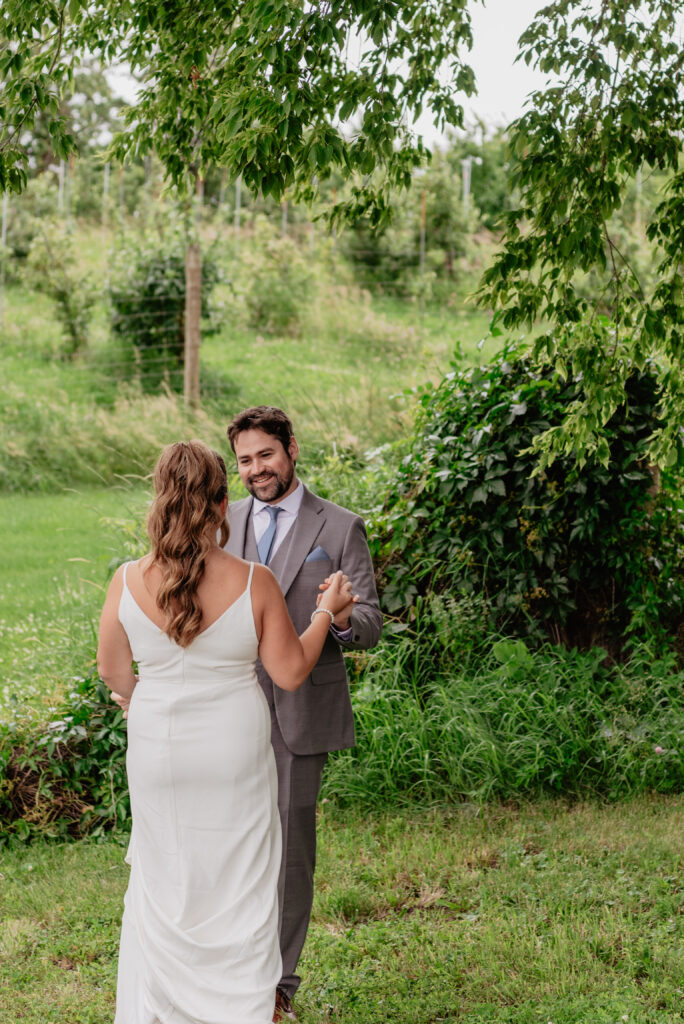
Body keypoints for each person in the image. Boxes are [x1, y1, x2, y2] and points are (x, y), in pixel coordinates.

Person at [98, 440, 357, 1024]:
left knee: (168, 872)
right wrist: (324, 613)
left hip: (158, 749)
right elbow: (290, 671)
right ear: (221, 505)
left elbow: (113, 671)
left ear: (161, 501)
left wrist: (148, 702)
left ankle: (165, 1007)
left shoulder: (126, 580)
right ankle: (242, 1006)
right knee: (242, 876)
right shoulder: (252, 580)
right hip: (235, 749)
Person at [225, 406, 383, 1022]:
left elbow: (368, 623)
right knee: (232, 843)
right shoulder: (224, 522)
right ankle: (232, 969)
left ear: (291, 448)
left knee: (291, 853)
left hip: (301, 712)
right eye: (244, 460)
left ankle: (277, 989)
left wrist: (339, 617)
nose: (256, 470)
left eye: (265, 455)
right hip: (229, 707)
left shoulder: (340, 527)